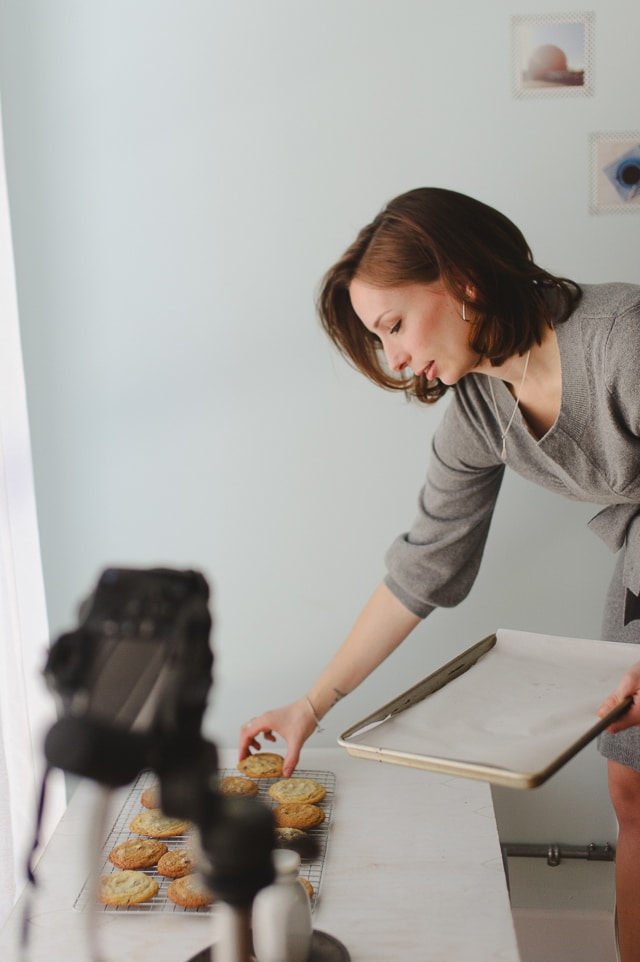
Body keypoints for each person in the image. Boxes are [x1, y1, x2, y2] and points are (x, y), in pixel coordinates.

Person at [238, 187, 640, 961]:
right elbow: (423, 567)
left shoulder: (622, 340)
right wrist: (311, 705)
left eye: (393, 326)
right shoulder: (482, 412)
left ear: (464, 281)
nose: (392, 359)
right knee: (632, 793)